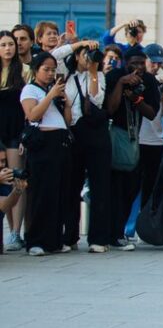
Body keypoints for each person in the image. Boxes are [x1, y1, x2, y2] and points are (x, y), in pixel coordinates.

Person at [105, 49, 160, 249]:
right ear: (125, 62)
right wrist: (121, 84)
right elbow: (110, 108)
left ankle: (119, 232)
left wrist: (137, 99)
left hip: (137, 141)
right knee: (113, 189)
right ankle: (110, 233)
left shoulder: (150, 81)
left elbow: (152, 113)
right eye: (133, 63)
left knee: (130, 189)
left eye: (141, 63)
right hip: (114, 137)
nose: (137, 68)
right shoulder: (114, 76)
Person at [19, 52, 73, 255]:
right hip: (42, 144)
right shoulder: (30, 89)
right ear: (35, 69)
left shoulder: (53, 90)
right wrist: (50, 96)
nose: (50, 74)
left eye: (53, 70)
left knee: (58, 193)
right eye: (46, 69)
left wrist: (65, 101)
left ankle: (54, 240)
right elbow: (32, 114)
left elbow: (67, 120)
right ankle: (35, 241)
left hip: (60, 142)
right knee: (41, 194)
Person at [64, 43, 114, 252]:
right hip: (74, 132)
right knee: (71, 186)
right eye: (84, 54)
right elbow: (56, 55)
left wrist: (93, 70)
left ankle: (98, 239)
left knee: (100, 185)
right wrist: (78, 44)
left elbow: (97, 98)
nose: (88, 57)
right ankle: (70, 237)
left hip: (97, 133)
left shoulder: (99, 76)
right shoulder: (65, 75)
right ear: (75, 55)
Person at [0, 31, 28, 251]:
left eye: (11, 44)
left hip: (15, 131)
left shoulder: (25, 71)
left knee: (16, 177)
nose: (8, 48)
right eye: (3, 45)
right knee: (3, 179)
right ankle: (7, 230)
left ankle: (16, 231)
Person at [138, 44, 163, 207]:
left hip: (156, 140)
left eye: (159, 63)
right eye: (153, 62)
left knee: (150, 186)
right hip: (139, 139)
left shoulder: (160, 83)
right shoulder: (137, 79)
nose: (156, 67)